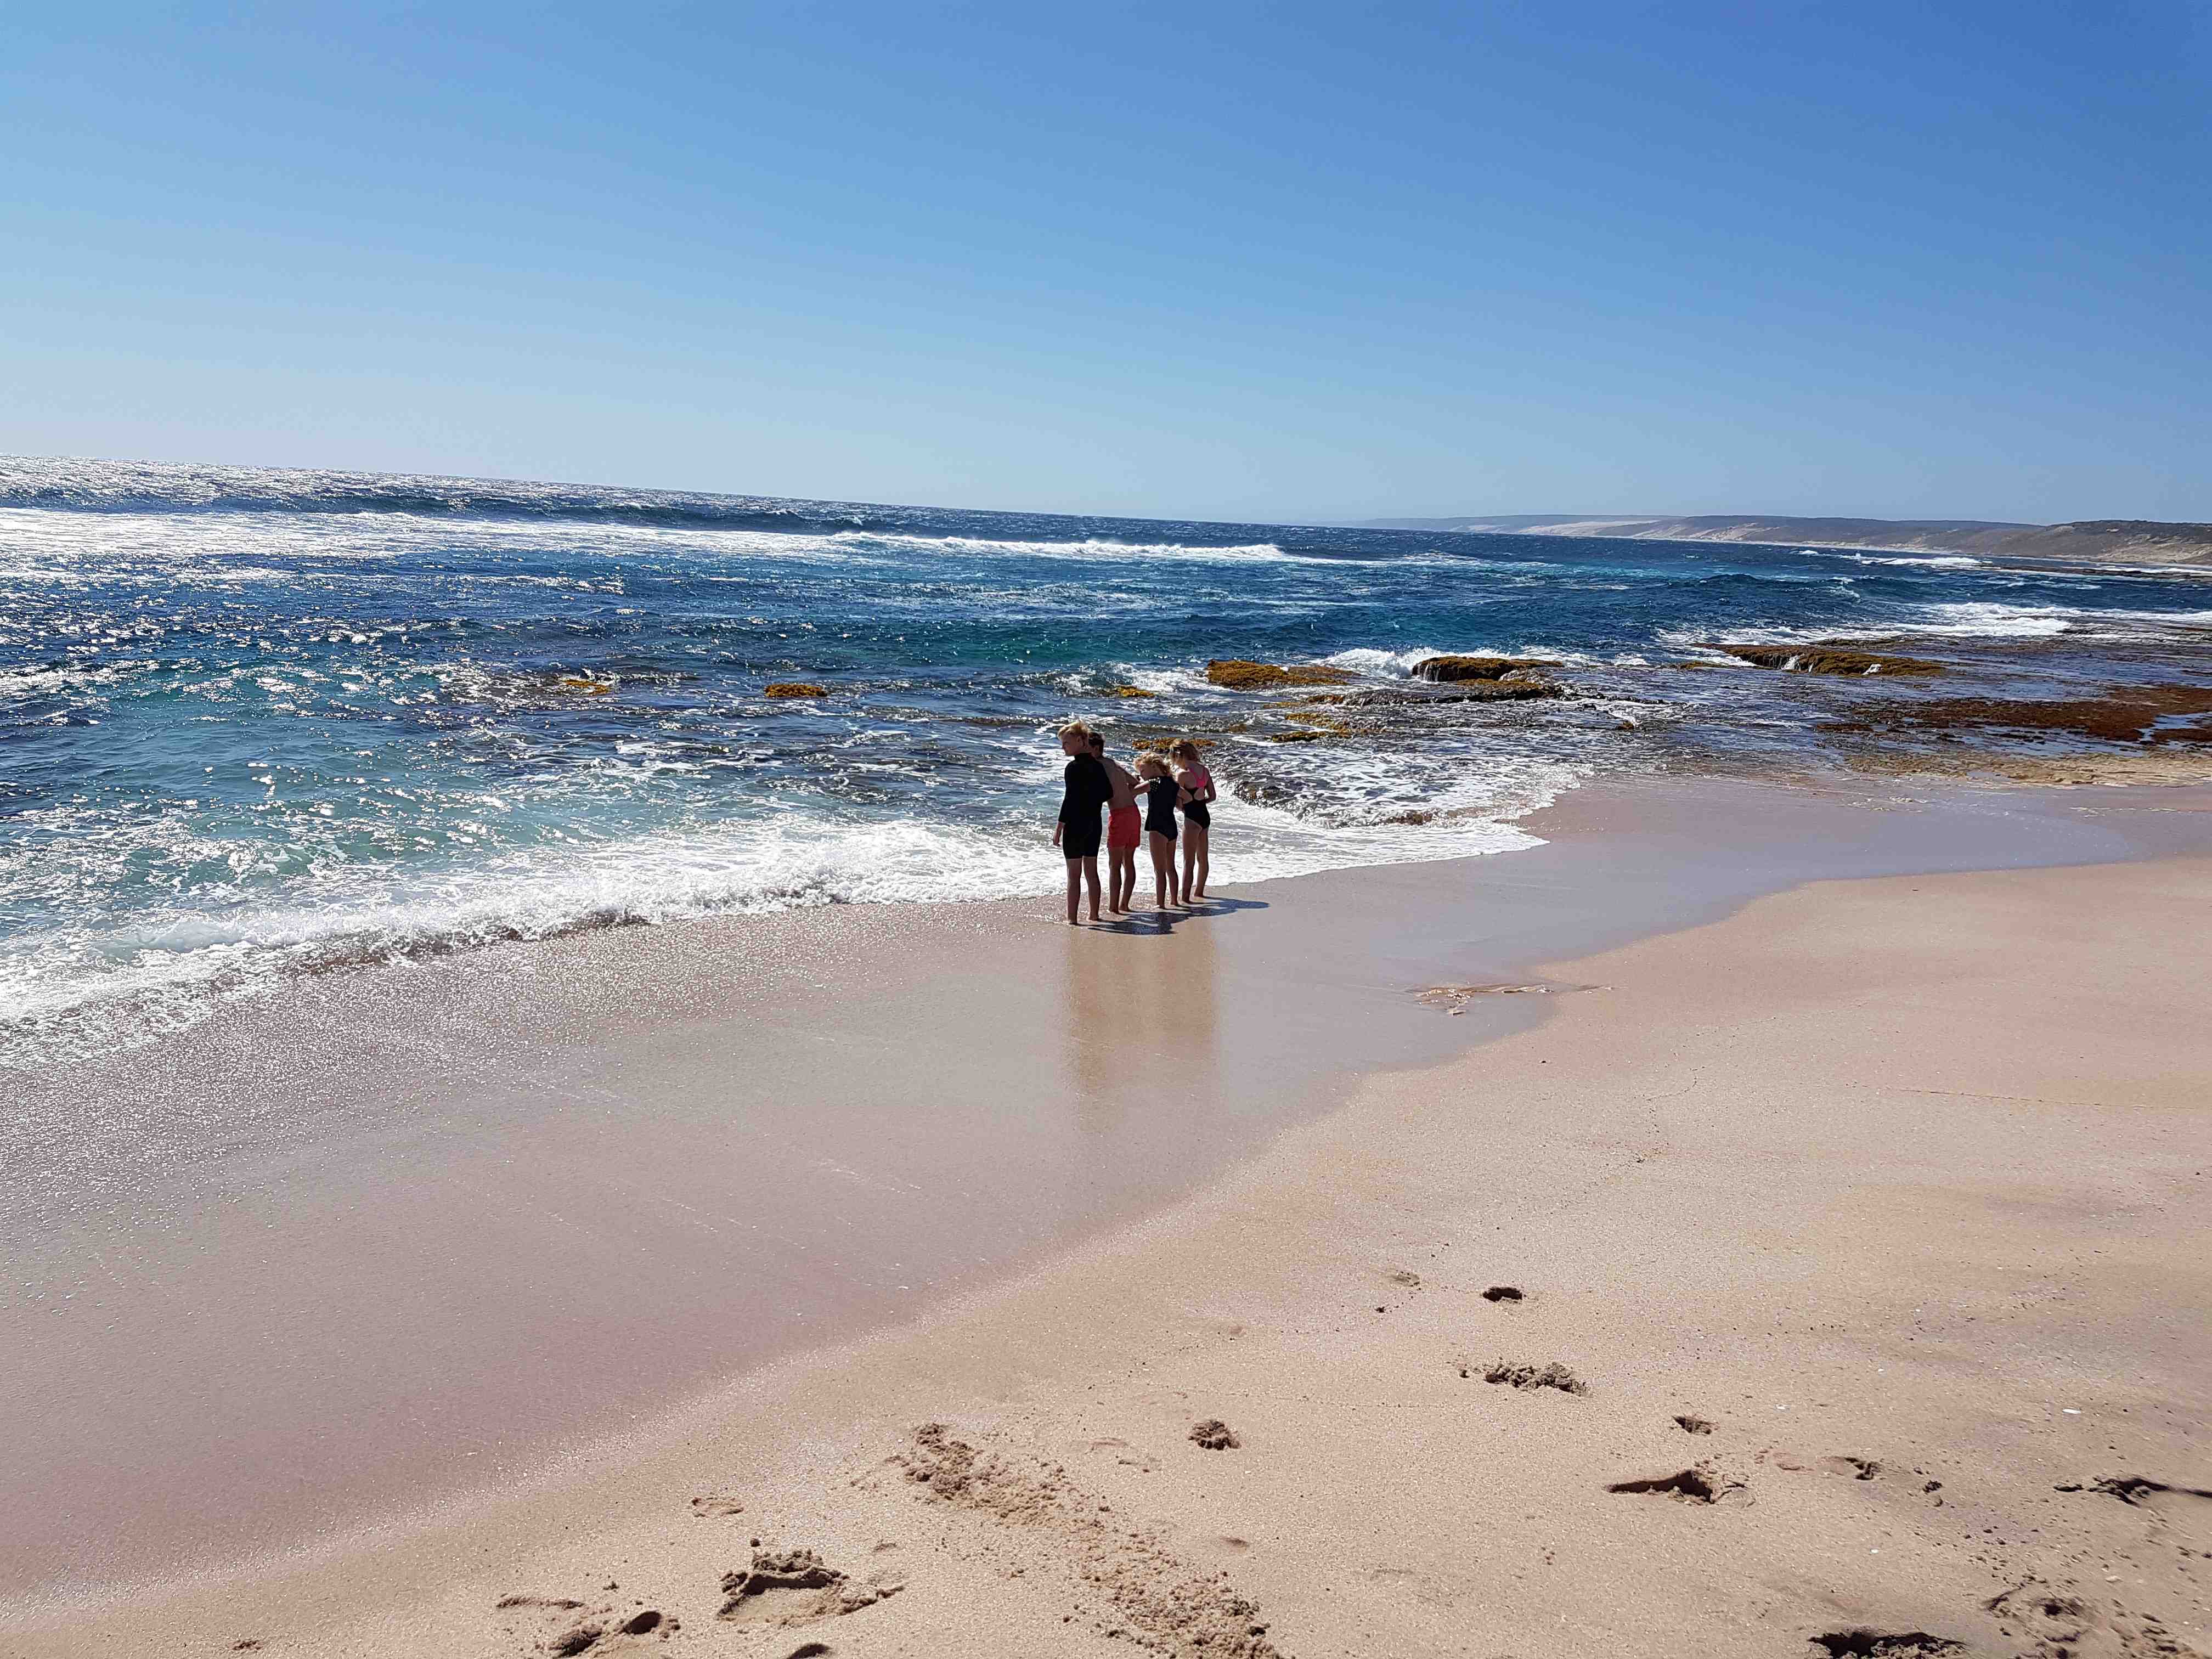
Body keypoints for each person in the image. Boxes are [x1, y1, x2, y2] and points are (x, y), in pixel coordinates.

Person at [1051, 720, 1111, 924]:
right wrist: (1091, 799)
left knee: (1074, 875)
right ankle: (1094, 914)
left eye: (1066, 743)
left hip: (1076, 824)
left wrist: (1059, 828)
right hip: (1094, 823)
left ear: (1079, 740)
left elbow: (1069, 800)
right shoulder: (1098, 766)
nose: (1063, 747)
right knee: (1092, 872)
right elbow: (1108, 793)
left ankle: (1072, 919)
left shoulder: (1073, 768)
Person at [1088, 732, 1143, 915]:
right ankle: (1124, 904)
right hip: (1134, 813)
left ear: (1096, 749)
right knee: (1129, 862)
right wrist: (1125, 794)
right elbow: (1134, 782)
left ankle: (1113, 907)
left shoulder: (1096, 765)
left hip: (1119, 815)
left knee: (1115, 865)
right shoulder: (1113, 763)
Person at [1136, 753, 1185, 911]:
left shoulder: (1153, 782)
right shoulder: (1172, 783)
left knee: (1160, 870)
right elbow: (1182, 803)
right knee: (1171, 867)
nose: (1142, 775)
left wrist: (1133, 782)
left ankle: (1161, 903)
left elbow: (1132, 792)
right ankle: (1175, 901)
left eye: (1143, 771)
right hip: (1171, 827)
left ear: (1154, 767)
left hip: (1157, 827)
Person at [1171, 740, 1216, 904]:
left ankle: (1185, 898)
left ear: (1179, 755)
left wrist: (1184, 808)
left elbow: (1178, 802)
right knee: (1203, 859)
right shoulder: (1204, 770)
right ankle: (1199, 892)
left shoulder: (1182, 775)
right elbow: (1213, 796)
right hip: (1204, 816)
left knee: (1188, 861)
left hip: (1192, 819)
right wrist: (1200, 803)